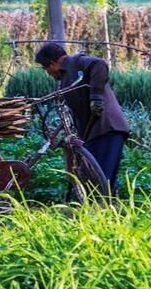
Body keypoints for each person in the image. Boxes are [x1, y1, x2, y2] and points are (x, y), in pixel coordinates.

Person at [35, 43, 129, 193]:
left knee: (100, 178)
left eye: (46, 68)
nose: (48, 73)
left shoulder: (76, 62)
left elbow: (99, 64)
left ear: (52, 63)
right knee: (93, 176)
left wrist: (96, 97)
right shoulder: (66, 77)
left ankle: (101, 209)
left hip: (107, 127)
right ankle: (102, 209)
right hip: (93, 132)